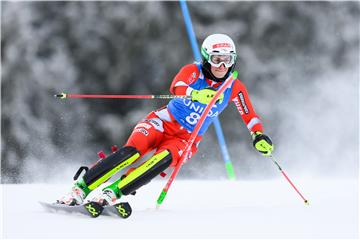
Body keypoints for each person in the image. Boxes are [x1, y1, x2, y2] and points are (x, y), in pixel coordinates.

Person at [58, 33, 274, 206]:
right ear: (207, 57)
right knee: (133, 151)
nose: (222, 66)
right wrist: (196, 94)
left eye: (227, 60)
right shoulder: (193, 71)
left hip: (187, 139)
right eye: (217, 59)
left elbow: (250, 115)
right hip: (163, 122)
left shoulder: (233, 86)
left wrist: (258, 135)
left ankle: (112, 193)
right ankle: (80, 189)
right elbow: (177, 86)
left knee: (161, 160)